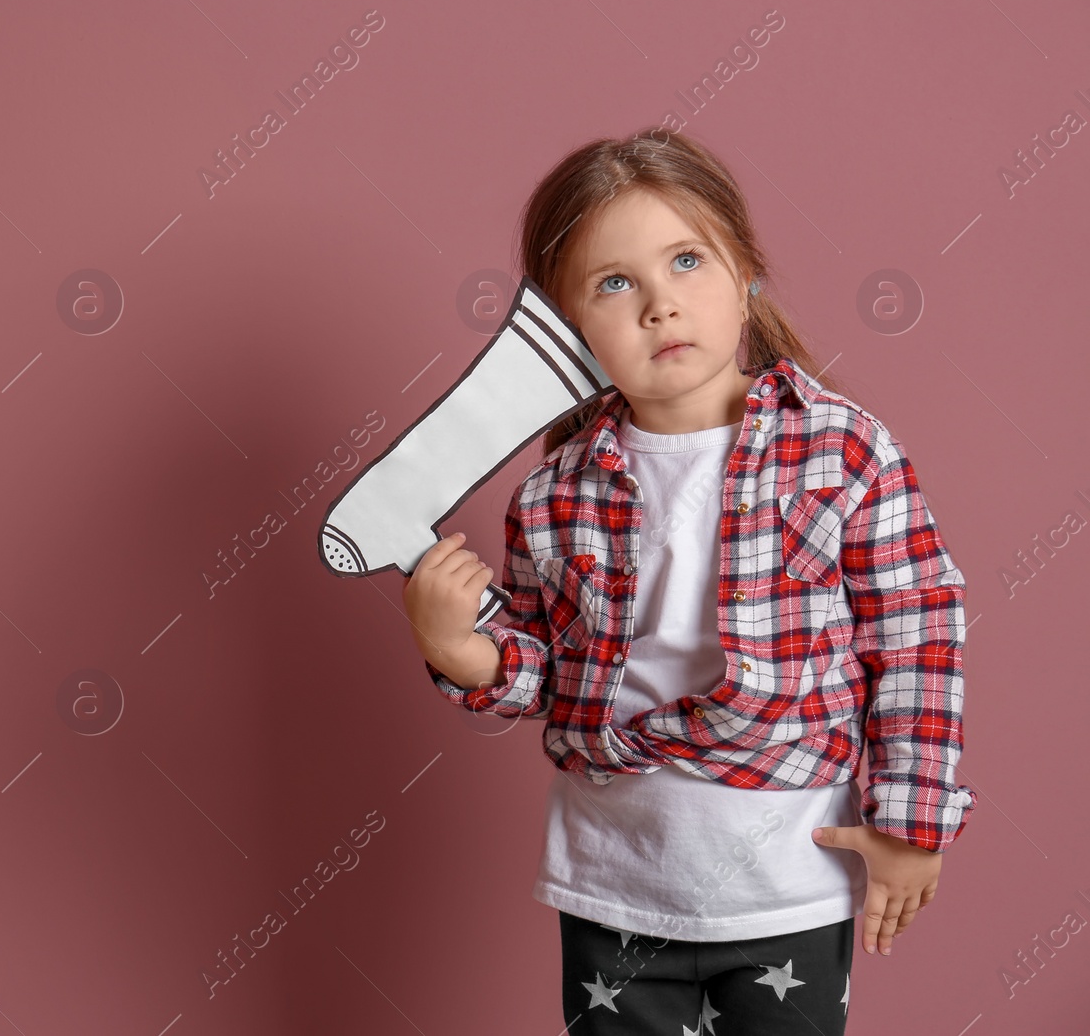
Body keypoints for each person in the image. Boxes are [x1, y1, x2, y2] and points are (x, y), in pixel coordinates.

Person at [401, 128, 974, 1036]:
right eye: (615, 283)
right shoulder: (554, 494)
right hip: (614, 879)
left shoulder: (841, 451)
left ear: (745, 270)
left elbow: (914, 633)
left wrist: (911, 821)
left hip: (786, 880)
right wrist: (461, 650)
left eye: (686, 261)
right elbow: (547, 672)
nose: (661, 305)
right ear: (568, 330)